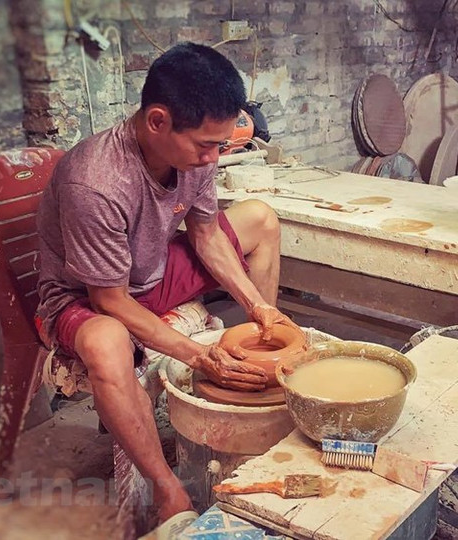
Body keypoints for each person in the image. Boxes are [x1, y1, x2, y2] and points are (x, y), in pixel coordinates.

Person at [34, 42, 298, 521]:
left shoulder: (197, 157)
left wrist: (258, 308)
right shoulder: (95, 180)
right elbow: (109, 299)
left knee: (260, 218)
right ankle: (165, 486)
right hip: (83, 296)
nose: (214, 156)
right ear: (157, 121)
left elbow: (206, 233)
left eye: (222, 144)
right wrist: (196, 353)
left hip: (147, 272)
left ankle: (261, 362)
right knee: (109, 341)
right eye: (205, 145)